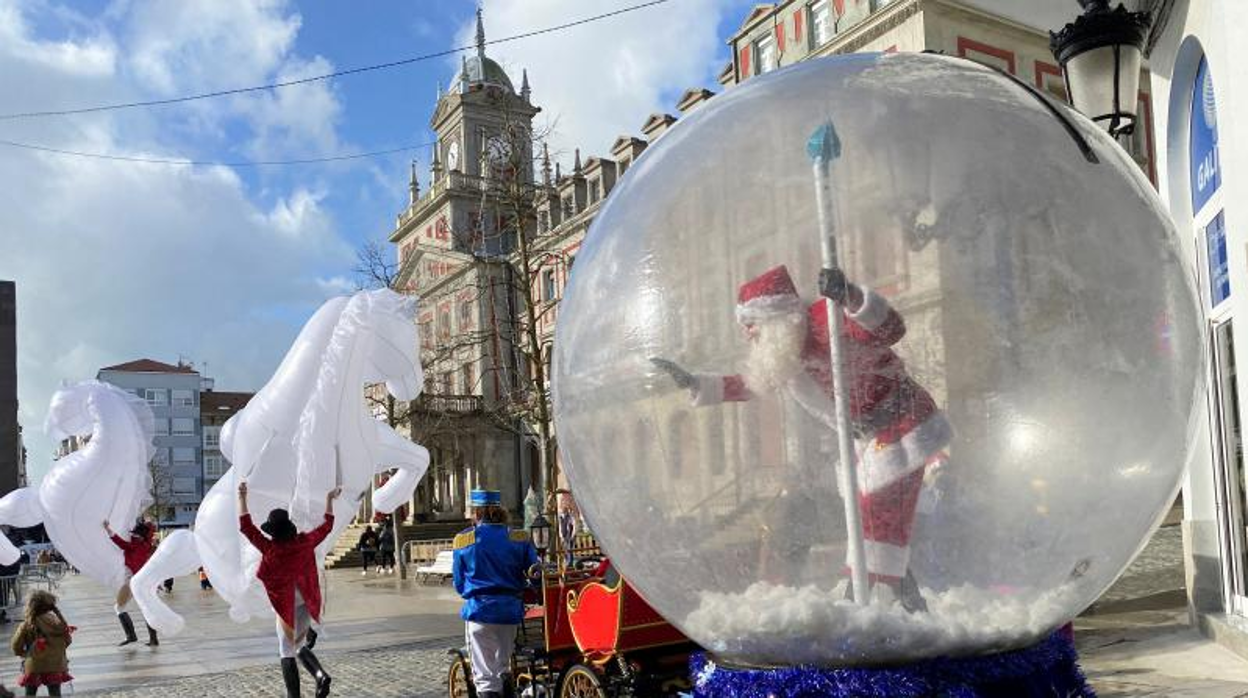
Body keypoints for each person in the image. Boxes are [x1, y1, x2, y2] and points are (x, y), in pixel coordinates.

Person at [654, 265, 951, 611]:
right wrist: (695, 383)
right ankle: (906, 602)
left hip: (902, 426)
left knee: (875, 519)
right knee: (872, 524)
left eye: (753, 323)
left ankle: (862, 600)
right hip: (866, 442)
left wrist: (850, 297)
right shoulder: (786, 352)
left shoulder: (827, 319)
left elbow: (892, 329)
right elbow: (751, 384)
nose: (748, 332)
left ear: (778, 316)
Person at [238, 481, 339, 698]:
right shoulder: (304, 542)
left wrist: (242, 497)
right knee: (300, 643)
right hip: (306, 596)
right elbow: (327, 526)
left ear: (273, 531)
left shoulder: (270, 549)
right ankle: (320, 675)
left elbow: (246, 527)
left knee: (286, 651)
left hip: (286, 602)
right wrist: (329, 500)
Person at [453, 489, 538, 698]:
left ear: (477, 513)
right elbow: (535, 573)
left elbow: (459, 582)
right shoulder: (519, 537)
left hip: (479, 610)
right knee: (503, 668)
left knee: (484, 678)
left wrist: (472, 593)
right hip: (509, 612)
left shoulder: (465, 540)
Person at [103, 520, 159, 646]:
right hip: (143, 580)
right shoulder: (146, 545)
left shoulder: (135, 544)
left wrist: (108, 529)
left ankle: (131, 635)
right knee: (146, 608)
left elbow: (120, 543)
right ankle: (153, 639)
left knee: (119, 607)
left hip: (132, 580)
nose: (133, 535)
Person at [10, 590, 72, 696]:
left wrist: (25, 654)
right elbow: (67, 641)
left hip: (33, 665)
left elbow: (16, 646)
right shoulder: (57, 623)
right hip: (55, 665)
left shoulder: (27, 624)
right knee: (55, 693)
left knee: (30, 692)